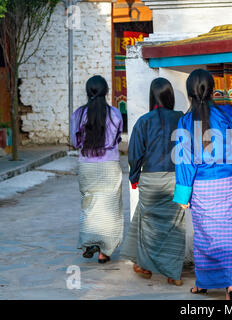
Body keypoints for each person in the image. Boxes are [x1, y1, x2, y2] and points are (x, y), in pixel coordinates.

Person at [172, 69, 232, 300]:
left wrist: (183, 195)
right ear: (212, 90)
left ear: (190, 93)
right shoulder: (225, 113)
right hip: (227, 184)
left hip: (201, 189)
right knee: (231, 234)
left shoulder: (184, 121)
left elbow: (184, 161)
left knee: (204, 237)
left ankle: (203, 283)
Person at [120, 77, 186, 286]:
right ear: (170, 96)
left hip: (150, 179)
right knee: (175, 226)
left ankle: (145, 266)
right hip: (176, 179)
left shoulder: (144, 121)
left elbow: (135, 154)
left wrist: (133, 177)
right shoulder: (181, 118)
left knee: (148, 225)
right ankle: (173, 274)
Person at [70, 75, 124, 264]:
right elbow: (118, 138)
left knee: (89, 204)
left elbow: (74, 142)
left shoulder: (78, 114)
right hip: (109, 165)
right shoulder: (115, 114)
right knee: (110, 208)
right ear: (107, 92)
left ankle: (89, 242)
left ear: (87, 92)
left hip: (86, 165)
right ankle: (104, 251)